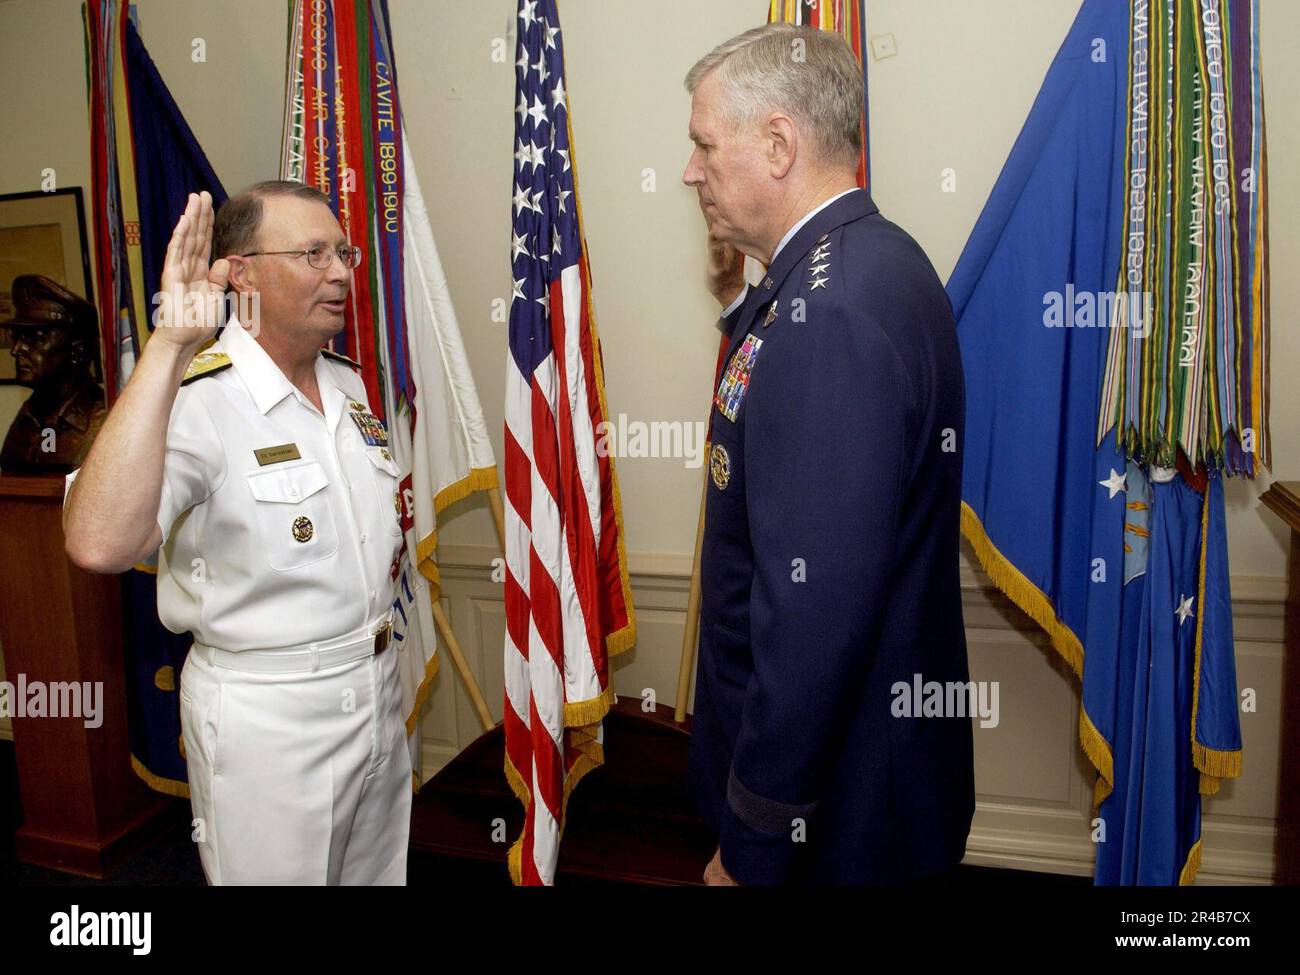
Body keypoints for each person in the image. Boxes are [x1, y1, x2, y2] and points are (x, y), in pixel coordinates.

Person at [682, 23, 974, 885]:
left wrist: (757, 836)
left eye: (704, 144)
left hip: (834, 818)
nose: (691, 171)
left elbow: (813, 618)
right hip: (865, 785)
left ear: (778, 144)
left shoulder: (829, 313)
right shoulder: (866, 263)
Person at [62, 183, 411, 885]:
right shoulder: (197, 399)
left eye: (344, 252)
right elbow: (97, 541)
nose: (342, 271)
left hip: (376, 690)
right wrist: (168, 346)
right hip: (269, 716)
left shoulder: (350, 387)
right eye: (314, 253)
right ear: (242, 272)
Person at [0, 274, 106, 472]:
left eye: (35, 339)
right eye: (17, 337)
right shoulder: (26, 419)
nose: (16, 350)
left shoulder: (106, 424)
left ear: (77, 351)